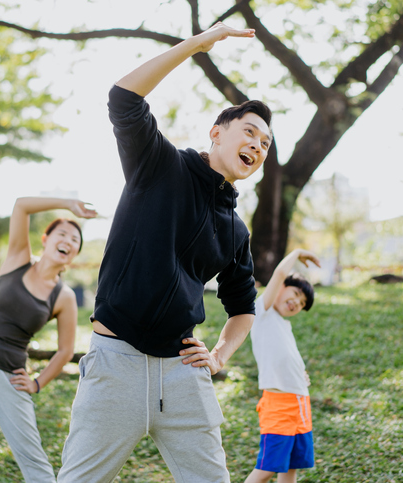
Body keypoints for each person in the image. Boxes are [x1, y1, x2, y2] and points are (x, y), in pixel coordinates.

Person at [58, 23, 272, 483]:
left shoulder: (235, 229)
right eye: (249, 132)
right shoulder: (159, 163)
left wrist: (218, 356)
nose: (257, 144)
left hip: (183, 375)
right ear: (217, 133)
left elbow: (243, 306)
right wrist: (198, 44)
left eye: (265, 144)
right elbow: (123, 99)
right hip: (116, 362)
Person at [0, 197, 96, 483]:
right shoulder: (18, 259)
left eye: (75, 240)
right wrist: (68, 204)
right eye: (62, 234)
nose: (68, 241)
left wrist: (37, 383)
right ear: (46, 239)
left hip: (10, 374)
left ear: (74, 254)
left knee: (32, 456)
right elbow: (21, 205)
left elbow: (65, 351)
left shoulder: (63, 296)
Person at [244, 249, 321, 483]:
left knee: (291, 467)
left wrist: (300, 375)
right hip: (278, 405)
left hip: (300, 402)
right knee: (267, 468)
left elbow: (287, 358)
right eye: (296, 293)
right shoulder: (262, 311)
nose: (297, 302)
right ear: (282, 287)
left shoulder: (284, 326)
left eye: (302, 303)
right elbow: (279, 272)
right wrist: (297, 253)